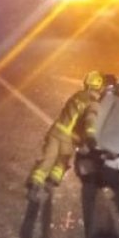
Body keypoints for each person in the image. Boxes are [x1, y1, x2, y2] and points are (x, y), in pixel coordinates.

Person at [26, 71, 104, 202]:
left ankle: (34, 187)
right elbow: (90, 119)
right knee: (62, 162)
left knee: (48, 159)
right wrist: (90, 136)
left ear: (86, 83)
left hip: (55, 131)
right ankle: (50, 184)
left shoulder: (77, 95)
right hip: (69, 138)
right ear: (99, 88)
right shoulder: (93, 103)